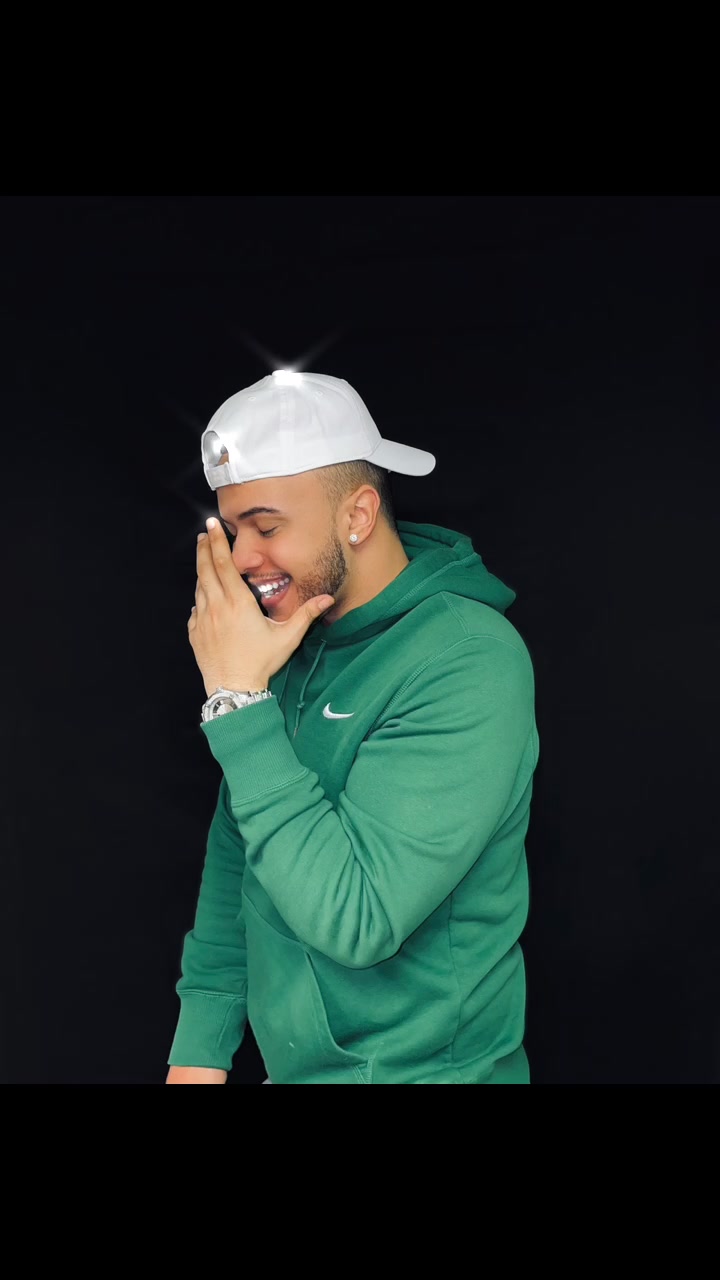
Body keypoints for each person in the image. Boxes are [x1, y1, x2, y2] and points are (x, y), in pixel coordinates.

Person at [166, 370, 540, 1084]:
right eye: (234, 530)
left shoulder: (468, 658)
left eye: (267, 526)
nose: (241, 559)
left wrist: (238, 701)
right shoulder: (284, 648)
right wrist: (197, 1057)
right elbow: (239, 860)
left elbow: (359, 920)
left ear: (358, 515)